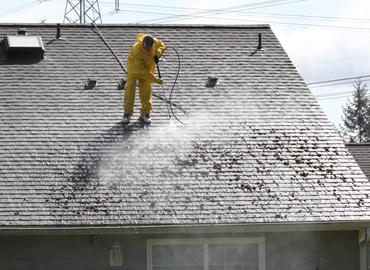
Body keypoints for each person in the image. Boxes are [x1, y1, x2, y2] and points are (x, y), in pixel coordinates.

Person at [122, 33, 166, 125]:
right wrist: (156, 80)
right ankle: (127, 113)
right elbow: (143, 72)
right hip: (135, 68)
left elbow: (162, 45)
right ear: (143, 44)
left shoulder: (154, 41)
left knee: (146, 89)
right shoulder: (136, 50)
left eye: (150, 47)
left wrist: (159, 52)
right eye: (147, 47)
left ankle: (145, 113)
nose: (148, 48)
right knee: (130, 89)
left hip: (148, 67)